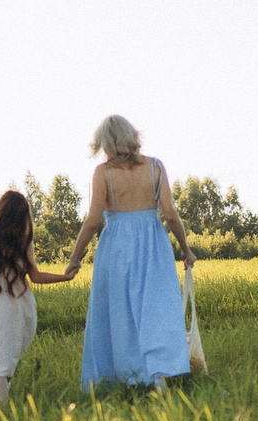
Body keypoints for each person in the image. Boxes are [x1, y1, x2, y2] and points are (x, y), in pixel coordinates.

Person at [64, 114, 195, 389]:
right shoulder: (156, 167)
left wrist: (75, 258)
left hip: (117, 246)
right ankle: (160, 373)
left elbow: (92, 221)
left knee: (119, 309)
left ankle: (127, 376)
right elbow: (170, 214)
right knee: (157, 307)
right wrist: (186, 250)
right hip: (154, 243)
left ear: (107, 143)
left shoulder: (104, 173)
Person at [0, 189, 74, 405]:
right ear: (23, 218)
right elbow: (36, 277)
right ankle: (3, 401)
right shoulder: (23, 242)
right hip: (18, 304)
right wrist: (64, 277)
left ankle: (2, 398)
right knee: (8, 353)